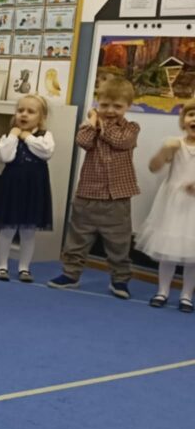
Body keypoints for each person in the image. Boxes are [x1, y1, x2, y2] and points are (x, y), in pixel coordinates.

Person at [48, 76, 140, 299]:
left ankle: (120, 279)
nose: (110, 110)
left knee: (119, 243)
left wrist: (99, 123)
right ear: (98, 103)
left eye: (117, 106)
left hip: (117, 198)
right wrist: (91, 122)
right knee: (77, 239)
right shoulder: (91, 126)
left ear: (128, 106)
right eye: (104, 105)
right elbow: (83, 141)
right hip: (87, 195)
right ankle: (70, 274)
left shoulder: (131, 128)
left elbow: (120, 141)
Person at [136, 98, 195, 312]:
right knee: (167, 249)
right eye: (191, 114)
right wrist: (164, 151)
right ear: (183, 119)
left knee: (193, 257)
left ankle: (186, 295)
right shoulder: (175, 144)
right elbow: (154, 167)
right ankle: (162, 291)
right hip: (173, 204)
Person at [0, 95, 54, 282]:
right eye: (20, 110)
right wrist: (13, 136)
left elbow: (46, 152)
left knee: (28, 231)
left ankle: (24, 268)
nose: (24, 114)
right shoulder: (9, 136)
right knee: (7, 229)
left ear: (41, 117)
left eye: (30, 112)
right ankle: (1, 266)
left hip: (34, 188)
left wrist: (28, 137)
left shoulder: (45, 136)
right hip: (12, 187)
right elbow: (5, 156)